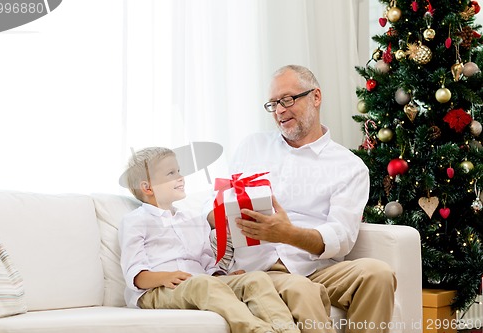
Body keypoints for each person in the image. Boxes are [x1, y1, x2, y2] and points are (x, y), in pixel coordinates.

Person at [207, 65, 397, 333]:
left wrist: (289, 234)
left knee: (378, 274)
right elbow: (214, 206)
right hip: (259, 271)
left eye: (287, 100)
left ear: (315, 97)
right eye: (273, 104)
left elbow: (341, 237)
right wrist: (220, 213)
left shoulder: (349, 166)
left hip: (316, 269)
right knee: (301, 289)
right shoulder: (253, 147)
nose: (280, 111)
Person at [118, 147, 301, 333]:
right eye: (171, 173)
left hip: (201, 282)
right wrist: (166, 277)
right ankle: (259, 330)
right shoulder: (135, 221)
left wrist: (222, 277)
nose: (181, 177)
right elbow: (135, 274)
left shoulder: (192, 219)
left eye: (179, 171)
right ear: (147, 187)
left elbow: (207, 261)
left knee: (256, 278)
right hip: (156, 291)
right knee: (202, 284)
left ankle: (287, 330)